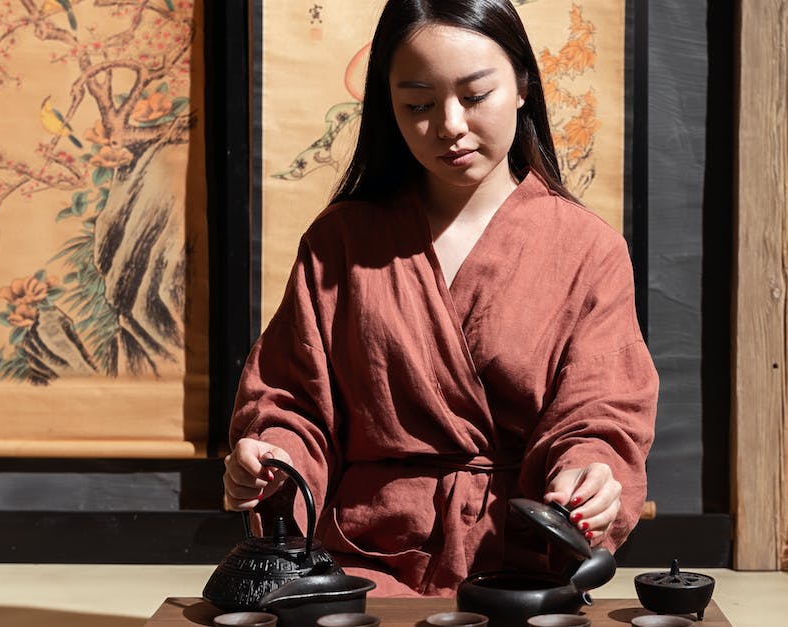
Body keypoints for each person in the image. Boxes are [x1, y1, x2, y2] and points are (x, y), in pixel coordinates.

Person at [223, 0, 657, 598]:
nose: (449, 125)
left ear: (524, 85)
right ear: (388, 107)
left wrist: (591, 475)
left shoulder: (588, 250)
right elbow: (292, 400)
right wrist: (272, 457)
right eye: (418, 105)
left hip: (521, 566)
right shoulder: (340, 241)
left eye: (475, 96)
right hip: (360, 563)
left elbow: (601, 412)